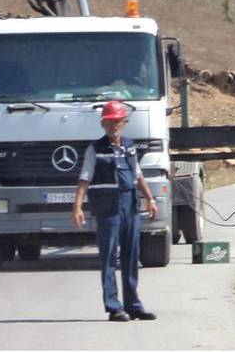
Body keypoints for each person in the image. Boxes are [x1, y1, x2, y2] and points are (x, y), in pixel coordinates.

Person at [72, 100, 158, 322]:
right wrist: (77, 206)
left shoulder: (129, 146)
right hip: (108, 207)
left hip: (129, 204)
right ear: (103, 124)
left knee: (131, 255)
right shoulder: (95, 149)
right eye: (109, 122)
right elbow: (84, 179)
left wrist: (150, 198)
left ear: (124, 123)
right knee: (109, 257)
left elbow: (138, 175)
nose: (114, 126)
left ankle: (133, 305)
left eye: (117, 121)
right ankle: (113, 307)